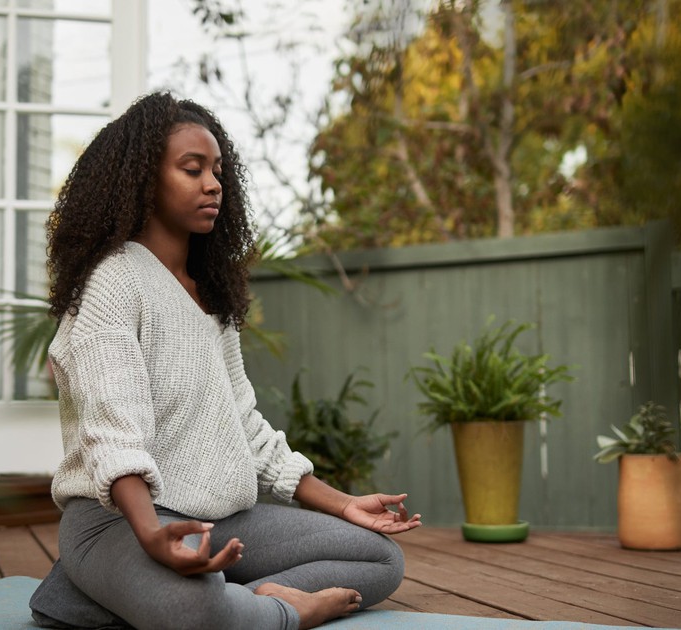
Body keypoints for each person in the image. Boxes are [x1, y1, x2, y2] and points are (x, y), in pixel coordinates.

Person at [29, 92, 422, 630]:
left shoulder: (210, 296)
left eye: (217, 170)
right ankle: (269, 610)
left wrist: (343, 503)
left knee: (380, 559)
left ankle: (156, 600)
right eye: (192, 169)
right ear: (144, 180)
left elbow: (245, 428)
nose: (213, 183)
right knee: (197, 609)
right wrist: (152, 538)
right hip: (118, 522)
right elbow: (111, 436)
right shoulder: (113, 281)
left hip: (221, 517)